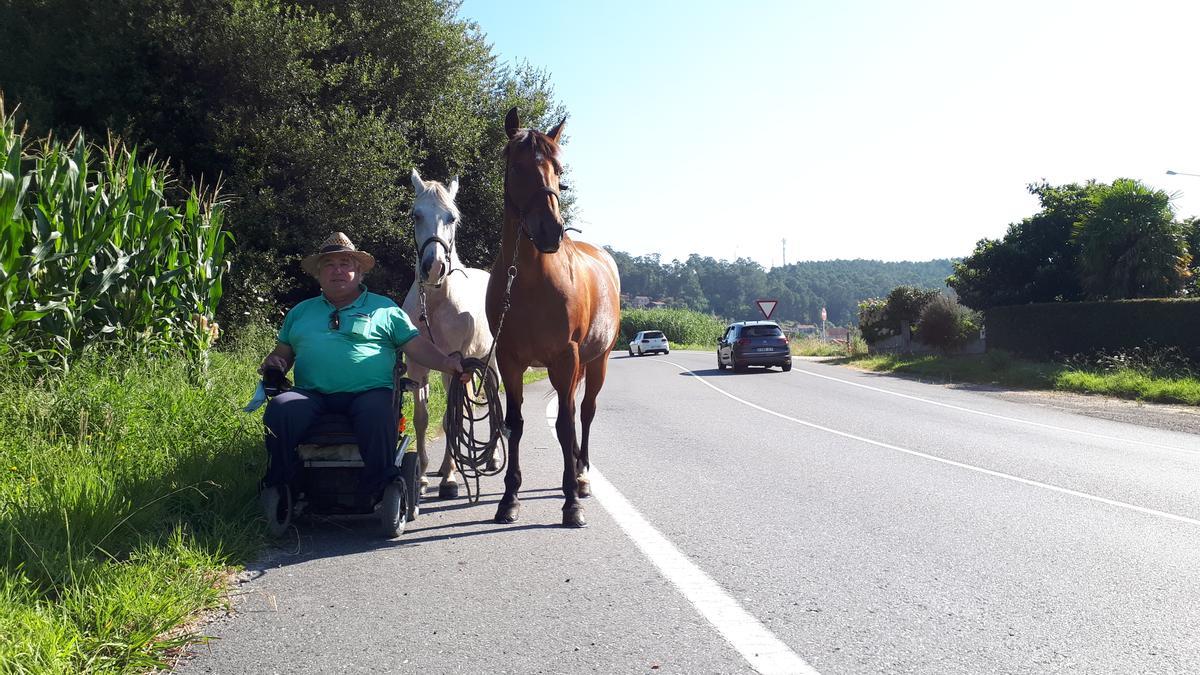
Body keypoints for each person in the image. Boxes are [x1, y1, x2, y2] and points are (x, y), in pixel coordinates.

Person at [259, 231, 468, 503]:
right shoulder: (300, 312)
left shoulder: (385, 309)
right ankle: (282, 483)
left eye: (345, 264)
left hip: (369, 392)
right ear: (319, 274)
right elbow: (282, 355)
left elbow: (416, 346)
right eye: (329, 265)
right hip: (311, 394)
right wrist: (275, 362)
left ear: (359, 271)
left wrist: (447, 363)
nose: (337, 271)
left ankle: (377, 490)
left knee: (378, 413)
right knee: (281, 409)